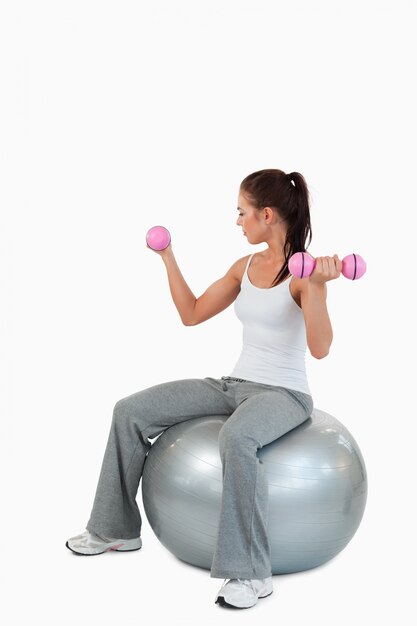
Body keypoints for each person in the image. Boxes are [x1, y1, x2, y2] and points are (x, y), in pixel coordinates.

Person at [66, 168, 342, 609]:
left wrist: (319, 290)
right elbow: (192, 313)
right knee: (129, 409)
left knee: (237, 436)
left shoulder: (304, 274)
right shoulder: (245, 266)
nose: (238, 221)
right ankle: (114, 529)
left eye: (242, 212)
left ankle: (252, 574)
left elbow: (321, 348)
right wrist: (168, 257)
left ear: (266, 215)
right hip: (233, 384)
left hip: (284, 394)